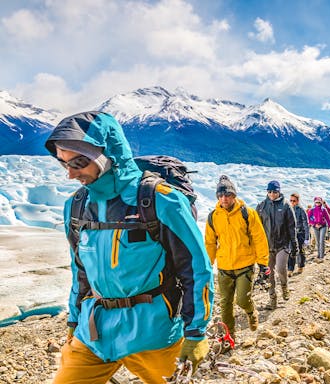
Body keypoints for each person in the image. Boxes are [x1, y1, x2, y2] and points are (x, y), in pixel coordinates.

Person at [45, 111, 214, 383]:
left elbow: (195, 267)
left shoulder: (160, 199)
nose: (70, 174)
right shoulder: (76, 206)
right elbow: (81, 273)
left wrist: (196, 332)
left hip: (153, 334)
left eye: (78, 162)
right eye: (64, 163)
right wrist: (74, 322)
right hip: (94, 335)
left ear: (107, 155)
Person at [205, 175, 269, 339]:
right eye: (220, 196)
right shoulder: (213, 217)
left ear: (234, 195)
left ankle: (250, 311)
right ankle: (228, 337)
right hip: (224, 266)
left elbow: (259, 238)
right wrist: (206, 265)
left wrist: (263, 263)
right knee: (225, 304)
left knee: (241, 300)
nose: (223, 199)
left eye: (227, 195)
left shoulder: (247, 213)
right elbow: (210, 243)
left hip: (245, 265)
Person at [256, 180, 298, 309]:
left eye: (274, 191)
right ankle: (272, 299)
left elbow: (292, 226)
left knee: (280, 268)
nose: (272, 194)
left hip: (282, 245)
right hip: (267, 246)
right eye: (269, 192)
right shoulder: (262, 206)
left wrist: (294, 244)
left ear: (279, 191)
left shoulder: (285, 206)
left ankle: (285, 287)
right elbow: (256, 228)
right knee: (269, 274)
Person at [288, 193, 309, 276]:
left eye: (294, 201)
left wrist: (307, 238)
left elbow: (306, 224)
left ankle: (301, 266)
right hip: (292, 234)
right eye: (291, 200)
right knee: (291, 250)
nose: (292, 202)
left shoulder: (301, 210)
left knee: (300, 250)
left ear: (298, 201)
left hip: (300, 233)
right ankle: (290, 269)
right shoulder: (289, 209)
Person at [308, 197, 330, 262]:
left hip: (323, 226)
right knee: (317, 241)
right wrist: (314, 224)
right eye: (316, 202)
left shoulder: (324, 210)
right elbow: (309, 219)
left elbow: (328, 218)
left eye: (319, 202)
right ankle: (319, 254)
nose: (318, 203)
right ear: (314, 202)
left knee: (322, 240)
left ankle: (322, 256)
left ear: (321, 202)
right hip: (315, 227)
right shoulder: (311, 210)